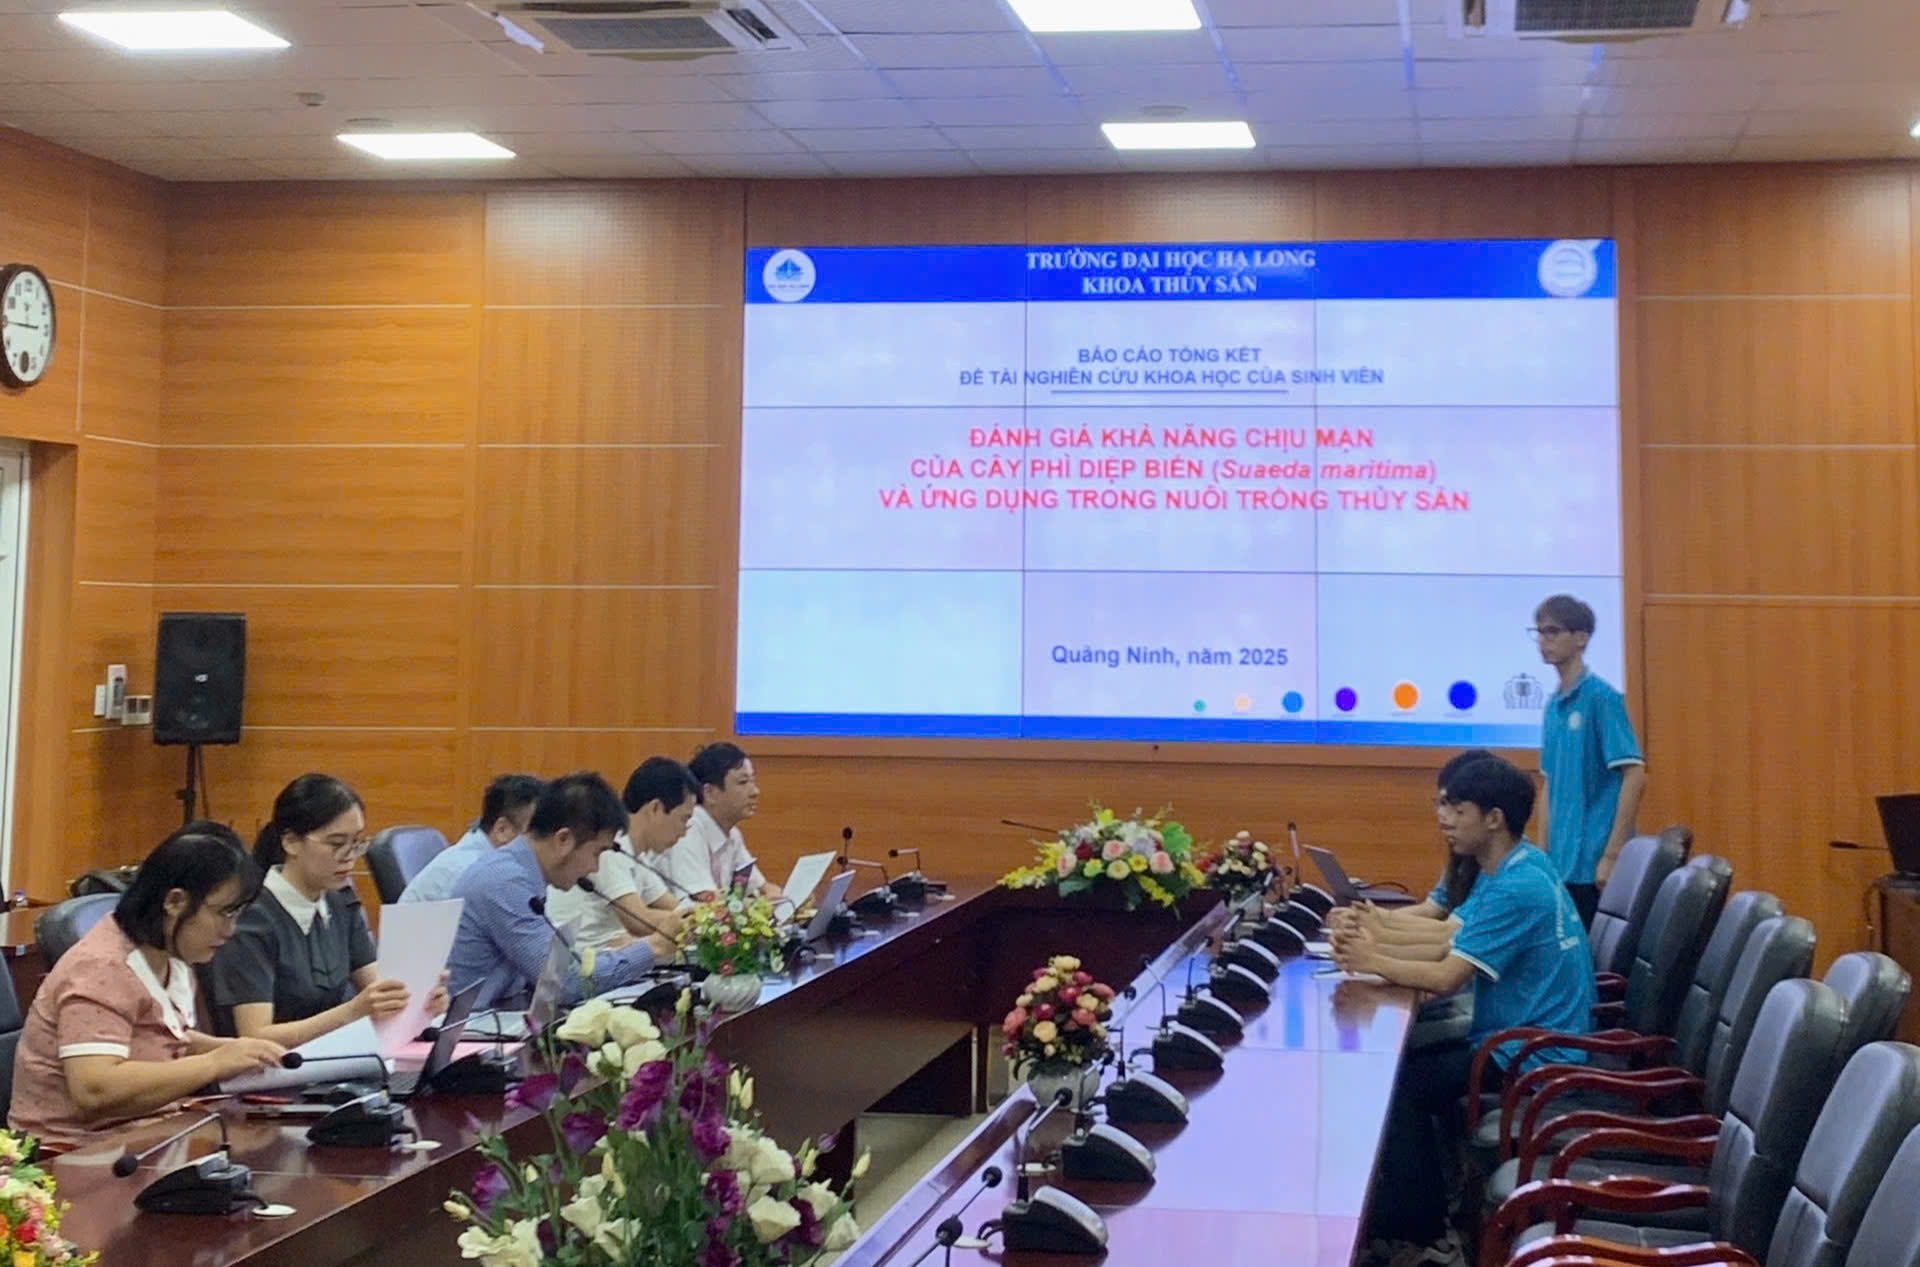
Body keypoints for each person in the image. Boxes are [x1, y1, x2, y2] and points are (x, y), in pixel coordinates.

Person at [1337, 754, 1595, 1261]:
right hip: (1517, 1037)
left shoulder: (1517, 884)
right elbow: (1447, 940)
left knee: (1403, 1085)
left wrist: (1371, 956)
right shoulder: (1515, 866)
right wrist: (1377, 934)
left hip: (1534, 1054)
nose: (1444, 819)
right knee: (1407, 1064)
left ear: (1493, 818)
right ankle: (1415, 1209)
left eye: (1457, 809)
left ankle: (1421, 1231)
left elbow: (1445, 977)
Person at [9, 822, 287, 1154]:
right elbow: (94, 1089)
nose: (230, 930)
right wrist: (214, 1062)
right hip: (72, 1155)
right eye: (224, 913)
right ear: (175, 901)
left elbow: (159, 1039)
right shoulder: (102, 967)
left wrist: (232, 1050)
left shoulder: (170, 953)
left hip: (148, 1136)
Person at [205, 774, 443, 1047]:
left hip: (336, 1056)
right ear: (291, 842)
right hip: (276, 1065)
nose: (349, 857)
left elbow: (377, 988)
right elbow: (256, 1035)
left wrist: (420, 1001)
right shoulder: (252, 916)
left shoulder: (340, 899)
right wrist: (351, 1012)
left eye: (357, 843)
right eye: (336, 844)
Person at [444, 771, 677, 1008]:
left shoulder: (523, 873)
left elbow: (558, 971)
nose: (595, 868)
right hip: (474, 1026)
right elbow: (563, 984)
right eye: (597, 853)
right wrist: (655, 947)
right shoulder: (505, 882)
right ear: (563, 839)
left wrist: (621, 954)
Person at [1533, 593, 1647, 925]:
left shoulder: (1602, 698)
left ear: (1580, 638)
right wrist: (1542, 854)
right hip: (1560, 862)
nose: (1543, 640)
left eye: (1552, 631)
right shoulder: (1553, 706)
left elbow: (1635, 774)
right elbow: (1549, 783)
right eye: (1539, 632)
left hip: (1594, 862)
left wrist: (1612, 854)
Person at [545, 758, 693, 953]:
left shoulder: (637, 854)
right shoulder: (608, 847)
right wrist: (699, 920)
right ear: (655, 808)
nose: (684, 833)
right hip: (582, 961)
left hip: (612, 958)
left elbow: (673, 907)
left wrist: (704, 916)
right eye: (684, 819)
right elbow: (638, 920)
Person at [660, 742, 781, 901]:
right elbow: (705, 899)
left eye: (753, 781)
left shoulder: (732, 834)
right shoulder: (688, 829)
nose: (755, 792)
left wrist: (781, 898)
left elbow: (764, 888)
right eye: (743, 782)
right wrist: (760, 904)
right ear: (709, 793)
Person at [400, 774, 544, 905]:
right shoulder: (473, 873)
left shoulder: (493, 863)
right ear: (502, 830)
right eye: (539, 832)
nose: (545, 842)